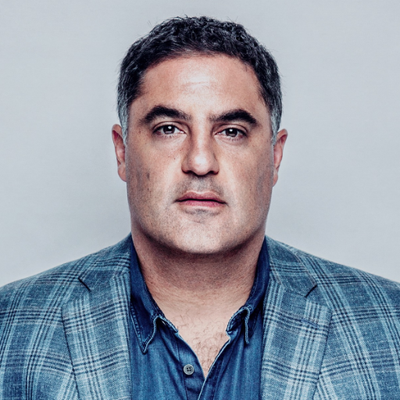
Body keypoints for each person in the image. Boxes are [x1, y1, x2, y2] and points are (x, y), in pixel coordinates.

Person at [1, 16, 399, 400]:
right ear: (122, 153)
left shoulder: (390, 322)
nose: (200, 161)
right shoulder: (10, 325)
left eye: (232, 132)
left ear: (275, 157)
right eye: (169, 129)